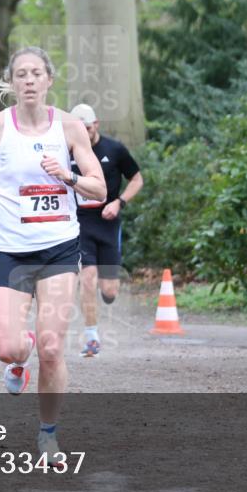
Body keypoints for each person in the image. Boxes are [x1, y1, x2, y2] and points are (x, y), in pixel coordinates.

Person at [0, 47, 106, 465]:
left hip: (59, 246)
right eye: (20, 74)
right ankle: (16, 359)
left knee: (52, 347)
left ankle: (48, 435)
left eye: (36, 73)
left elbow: (99, 189)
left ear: (48, 81)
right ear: (12, 81)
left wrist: (69, 177)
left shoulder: (70, 128)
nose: (28, 80)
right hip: (8, 249)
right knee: (10, 348)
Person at [69, 104, 143, 357]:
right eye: (79, 129)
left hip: (109, 223)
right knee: (86, 278)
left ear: (96, 124)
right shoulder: (67, 150)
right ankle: (91, 337)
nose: (84, 133)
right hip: (80, 224)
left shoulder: (114, 149)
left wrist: (119, 202)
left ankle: (108, 294)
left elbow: (137, 179)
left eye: (88, 128)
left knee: (109, 290)